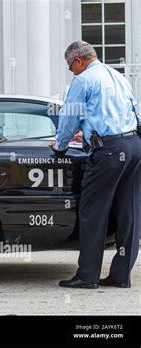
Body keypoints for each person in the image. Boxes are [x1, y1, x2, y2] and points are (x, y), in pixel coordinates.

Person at [52, 41, 140, 289]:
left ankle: (87, 276)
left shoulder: (83, 80)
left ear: (78, 61)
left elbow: (70, 116)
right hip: (133, 146)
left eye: (71, 67)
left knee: (93, 213)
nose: (72, 72)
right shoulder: (117, 75)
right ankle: (121, 276)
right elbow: (135, 110)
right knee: (129, 215)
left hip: (108, 152)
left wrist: (60, 145)